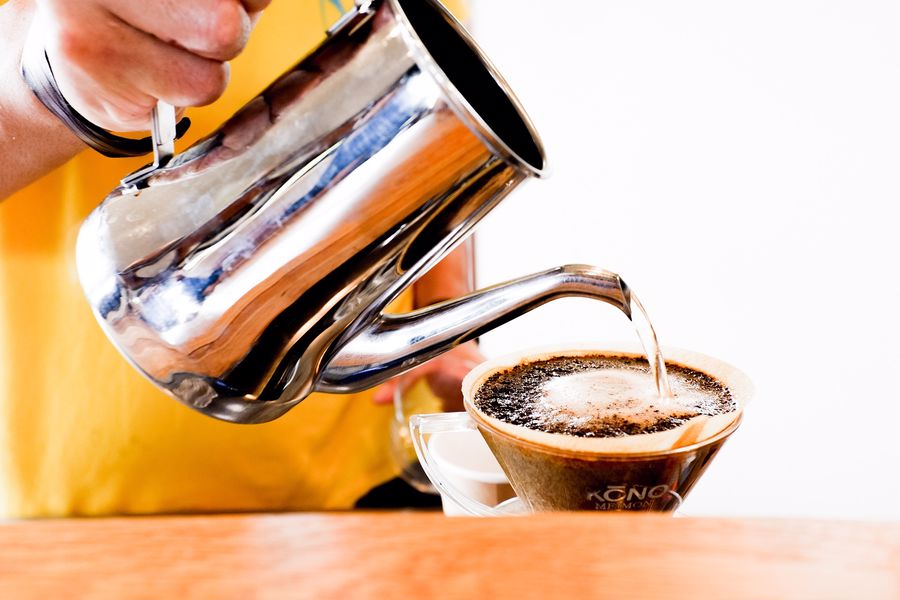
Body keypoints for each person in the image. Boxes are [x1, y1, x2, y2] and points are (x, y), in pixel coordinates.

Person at [0, 0, 481, 517]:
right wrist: (42, 86)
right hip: (61, 513)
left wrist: (446, 315)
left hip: (358, 494)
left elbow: (430, 142)